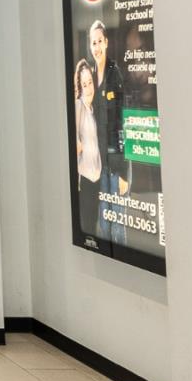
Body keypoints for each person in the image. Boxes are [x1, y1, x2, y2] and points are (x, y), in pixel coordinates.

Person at [88, 20, 130, 245]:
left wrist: (123, 172)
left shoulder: (115, 75)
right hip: (100, 165)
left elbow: (121, 123)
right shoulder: (91, 78)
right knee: (104, 223)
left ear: (106, 43)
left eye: (99, 41)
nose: (96, 47)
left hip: (116, 164)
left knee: (118, 226)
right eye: (92, 42)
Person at [73, 60, 103, 234]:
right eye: (84, 85)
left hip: (96, 177)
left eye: (90, 82)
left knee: (93, 227)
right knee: (88, 228)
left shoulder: (93, 109)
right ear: (80, 87)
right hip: (84, 179)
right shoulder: (79, 107)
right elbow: (74, 142)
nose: (89, 88)